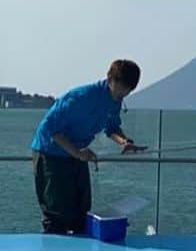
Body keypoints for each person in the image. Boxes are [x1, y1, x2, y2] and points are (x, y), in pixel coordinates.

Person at [30, 59, 146, 234]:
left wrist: (125, 142)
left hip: (77, 153)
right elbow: (50, 129)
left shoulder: (115, 100)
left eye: (128, 91)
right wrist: (76, 152)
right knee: (57, 214)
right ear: (110, 79)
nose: (123, 94)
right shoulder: (82, 97)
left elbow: (112, 127)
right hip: (50, 154)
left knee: (81, 211)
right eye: (121, 87)